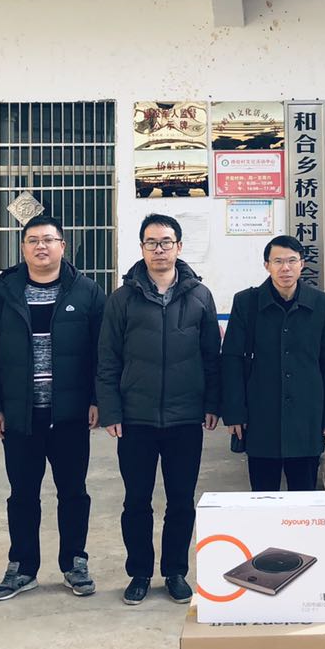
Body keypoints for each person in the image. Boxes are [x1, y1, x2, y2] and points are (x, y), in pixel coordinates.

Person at [0, 215, 105, 602]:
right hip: (20, 414)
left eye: (48, 239)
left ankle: (74, 562)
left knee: (73, 492)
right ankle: (23, 567)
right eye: (32, 240)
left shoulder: (87, 292)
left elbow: (104, 352)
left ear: (63, 245)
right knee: (22, 494)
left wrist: (97, 399)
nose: (41, 246)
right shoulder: (2, 292)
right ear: (23, 248)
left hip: (70, 414)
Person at [97, 214, 221, 606]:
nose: (159, 249)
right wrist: (111, 411)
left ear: (179, 247)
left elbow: (211, 356)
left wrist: (211, 404)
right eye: (151, 242)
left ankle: (175, 572)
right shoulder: (122, 299)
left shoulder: (200, 296)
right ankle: (139, 573)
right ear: (142, 248)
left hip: (185, 418)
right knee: (137, 500)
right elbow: (108, 359)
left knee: (181, 500)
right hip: (136, 418)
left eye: (166, 242)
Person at [221, 235, 325, 493]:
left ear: (302, 264)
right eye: (278, 261)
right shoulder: (246, 303)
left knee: (304, 495)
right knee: (263, 496)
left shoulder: (322, 304)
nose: (285, 268)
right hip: (260, 416)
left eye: (291, 261)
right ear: (267, 265)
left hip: (307, 416)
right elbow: (231, 359)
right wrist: (234, 412)